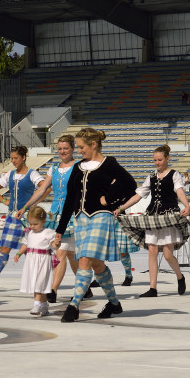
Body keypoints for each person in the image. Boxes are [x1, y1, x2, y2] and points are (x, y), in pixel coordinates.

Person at [52, 127, 137, 322]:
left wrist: (109, 198)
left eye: (81, 147)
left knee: (84, 260)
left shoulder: (109, 163)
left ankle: (73, 305)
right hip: (80, 219)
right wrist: (60, 229)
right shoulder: (78, 167)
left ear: (93, 144)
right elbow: (70, 198)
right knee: (97, 264)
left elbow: (129, 184)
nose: (79, 150)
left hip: (101, 217)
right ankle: (114, 303)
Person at [114, 145, 190, 297]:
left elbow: (179, 191)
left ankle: (180, 277)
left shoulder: (174, 175)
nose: (157, 163)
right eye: (155, 160)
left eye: (160, 160)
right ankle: (153, 288)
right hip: (152, 217)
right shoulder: (151, 177)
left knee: (168, 255)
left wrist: (187, 206)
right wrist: (122, 208)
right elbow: (138, 195)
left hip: (168, 217)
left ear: (167, 158)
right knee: (152, 251)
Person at [20, 134, 85, 304]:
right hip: (56, 214)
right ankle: (81, 288)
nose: (62, 151)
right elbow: (42, 190)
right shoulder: (54, 168)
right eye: (60, 148)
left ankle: (53, 289)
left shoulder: (79, 167)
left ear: (72, 149)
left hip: (73, 214)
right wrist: (26, 207)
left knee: (65, 252)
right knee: (66, 252)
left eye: (66, 148)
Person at [0, 146, 44, 288]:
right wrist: (3, 200)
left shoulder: (32, 174)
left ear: (23, 158)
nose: (13, 161)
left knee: (30, 249)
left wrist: (34, 203)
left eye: (16, 158)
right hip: (13, 216)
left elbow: (45, 188)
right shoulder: (10, 174)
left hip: (28, 217)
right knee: (5, 247)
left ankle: (37, 279)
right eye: (12, 158)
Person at [14, 206, 56, 316]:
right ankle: (44, 305)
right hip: (31, 261)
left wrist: (56, 243)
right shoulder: (29, 233)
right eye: (30, 224)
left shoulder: (47, 232)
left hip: (43, 261)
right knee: (36, 283)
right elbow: (26, 244)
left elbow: (54, 244)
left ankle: (36, 305)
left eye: (35, 224)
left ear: (43, 221)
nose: (32, 226)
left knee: (39, 283)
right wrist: (19, 253)